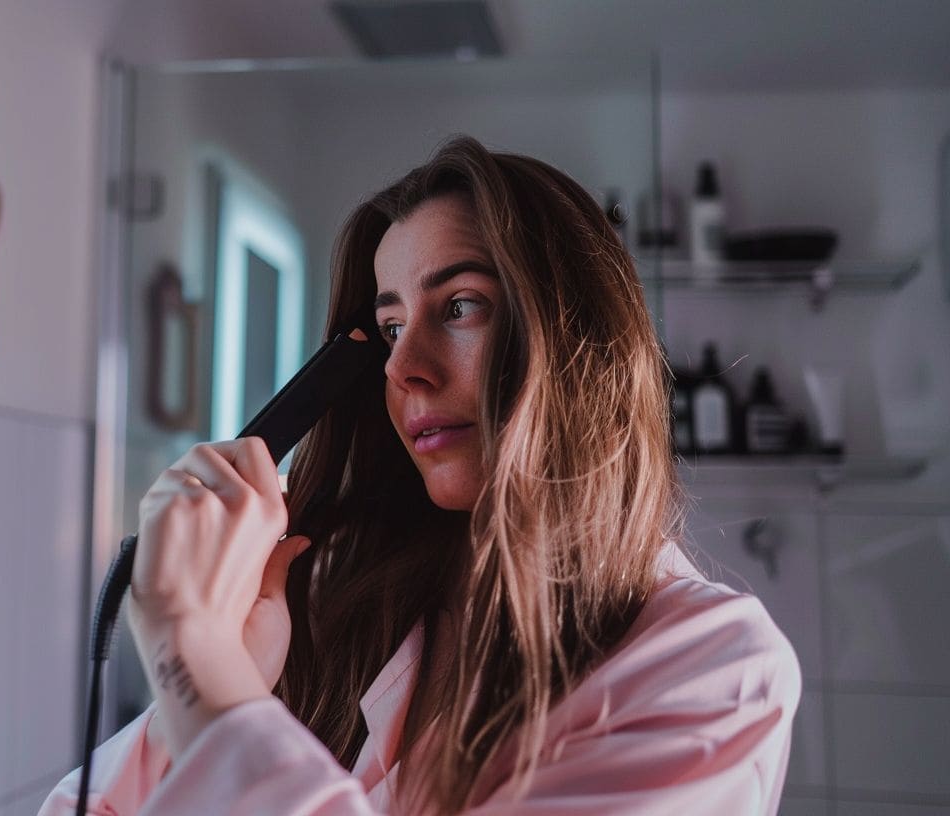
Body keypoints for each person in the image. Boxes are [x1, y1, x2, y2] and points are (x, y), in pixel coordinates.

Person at [41, 136, 800, 815]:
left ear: (577, 342)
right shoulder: (353, 614)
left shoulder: (713, 667)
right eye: (393, 326)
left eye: (461, 306)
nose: (404, 369)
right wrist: (232, 677)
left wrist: (193, 657)